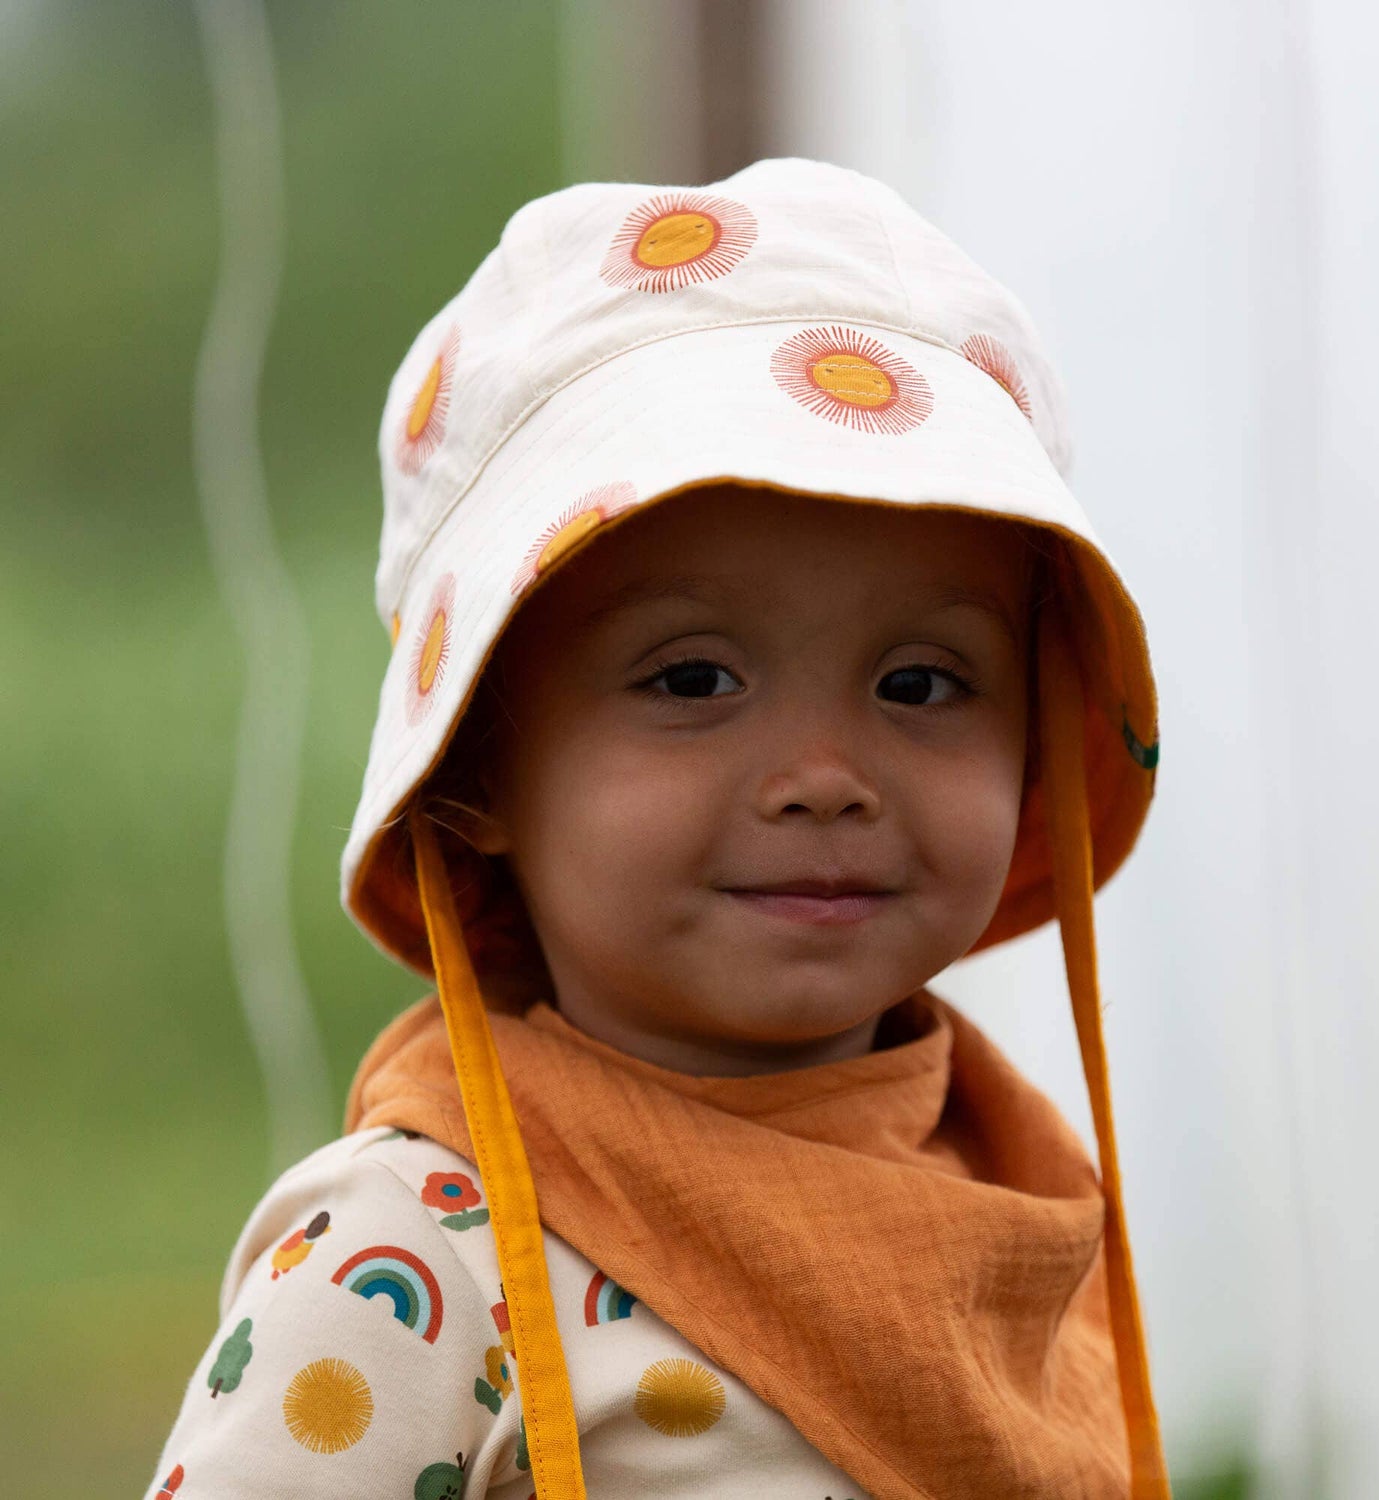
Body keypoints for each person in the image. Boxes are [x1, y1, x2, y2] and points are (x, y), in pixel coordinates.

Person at [143, 157, 1170, 1499]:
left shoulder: (1016, 1195)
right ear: (480, 765)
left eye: (921, 684)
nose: (823, 777)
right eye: (692, 679)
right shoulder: (417, 1257)